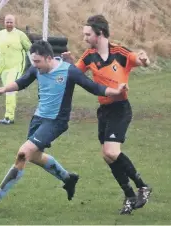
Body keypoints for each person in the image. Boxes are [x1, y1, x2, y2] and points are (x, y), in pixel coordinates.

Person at [0, 40, 129, 208]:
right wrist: (4, 88)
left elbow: (93, 87)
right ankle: (68, 178)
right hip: (38, 119)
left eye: (38, 61)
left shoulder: (69, 71)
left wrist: (116, 91)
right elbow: (22, 82)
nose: (35, 65)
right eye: (33, 62)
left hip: (56, 121)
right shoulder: (36, 69)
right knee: (35, 156)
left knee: (23, 153)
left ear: (48, 58)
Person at [61, 14, 152, 215]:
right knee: (108, 156)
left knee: (111, 152)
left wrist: (144, 59)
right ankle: (129, 196)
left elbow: (138, 59)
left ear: (99, 33)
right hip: (104, 111)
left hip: (120, 109)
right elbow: (76, 75)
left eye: (87, 34)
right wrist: (69, 63)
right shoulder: (88, 56)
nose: (84, 38)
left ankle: (142, 186)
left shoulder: (119, 52)